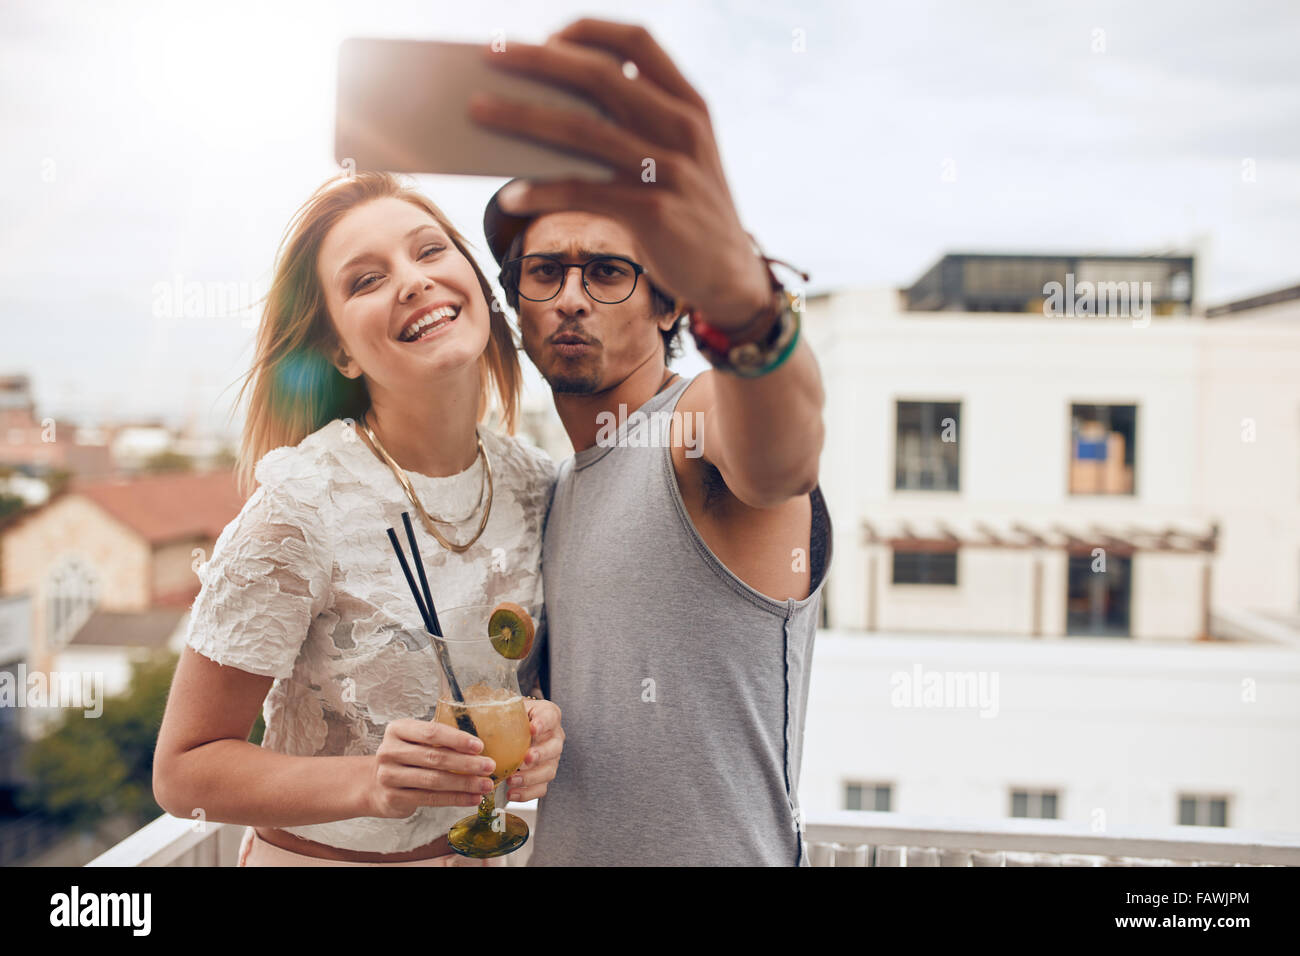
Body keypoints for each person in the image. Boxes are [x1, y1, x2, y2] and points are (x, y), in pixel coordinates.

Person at [475, 19, 832, 865]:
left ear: (670, 305)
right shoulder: (561, 488)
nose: (570, 296)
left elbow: (784, 461)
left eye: (607, 271)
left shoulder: (692, 423)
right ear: (517, 304)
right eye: (544, 271)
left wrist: (746, 308)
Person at [152, 171, 564, 866]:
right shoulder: (301, 506)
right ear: (341, 350)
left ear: (479, 288)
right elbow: (182, 772)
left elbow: (529, 676)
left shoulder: (538, 486)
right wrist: (369, 782)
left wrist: (545, 724)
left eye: (429, 251)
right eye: (365, 280)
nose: (412, 280)